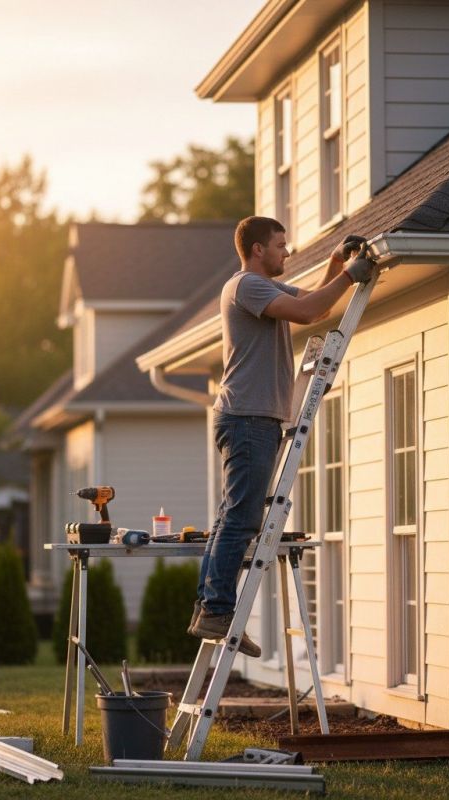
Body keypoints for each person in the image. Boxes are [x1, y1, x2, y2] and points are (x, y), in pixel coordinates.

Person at [189, 216, 374, 657]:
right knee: (241, 518)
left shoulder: (263, 289)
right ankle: (216, 608)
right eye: (280, 245)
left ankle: (209, 607)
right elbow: (309, 313)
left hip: (255, 417)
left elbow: (317, 304)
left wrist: (335, 265)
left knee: (232, 516)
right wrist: (351, 275)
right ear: (257, 250)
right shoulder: (246, 287)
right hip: (248, 418)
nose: (287, 252)